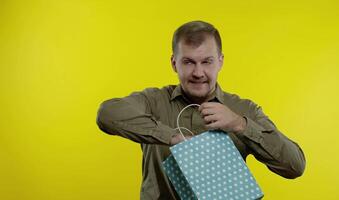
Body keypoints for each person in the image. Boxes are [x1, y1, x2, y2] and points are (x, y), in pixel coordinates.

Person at [96, 20, 306, 200]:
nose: (198, 72)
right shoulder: (153, 101)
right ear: (174, 63)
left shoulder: (243, 109)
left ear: (220, 61)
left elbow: (294, 166)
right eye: (188, 62)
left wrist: (239, 124)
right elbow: (107, 114)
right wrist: (173, 138)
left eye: (207, 61)